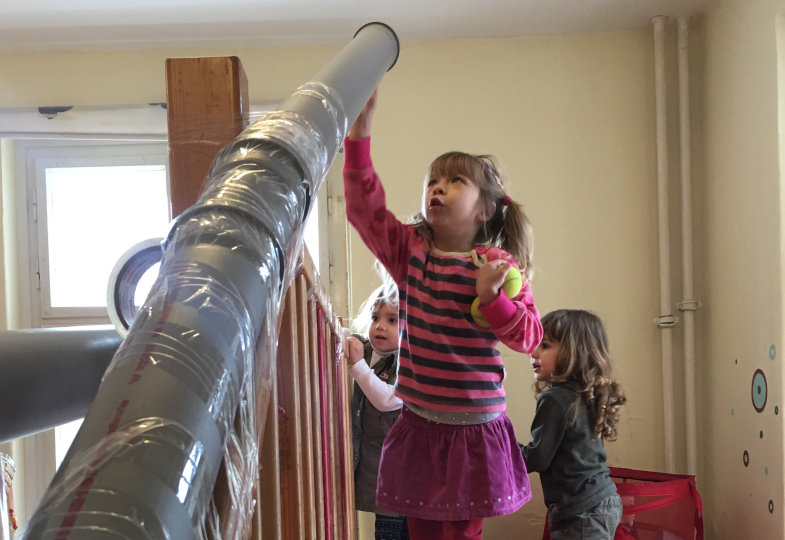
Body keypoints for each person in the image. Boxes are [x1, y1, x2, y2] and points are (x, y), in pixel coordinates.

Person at [343, 89, 542, 540]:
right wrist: (360, 134)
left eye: (454, 181)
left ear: (485, 209)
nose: (437, 187)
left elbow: (529, 337)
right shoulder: (411, 255)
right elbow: (363, 208)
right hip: (421, 427)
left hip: (473, 432)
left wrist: (494, 298)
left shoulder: (496, 266)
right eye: (433, 180)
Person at [520, 309, 627, 540]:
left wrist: (502, 445)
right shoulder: (587, 393)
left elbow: (538, 458)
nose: (533, 351)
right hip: (602, 500)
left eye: (545, 345)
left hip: (582, 510)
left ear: (574, 352)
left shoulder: (555, 398)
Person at [343, 269, 409, 540]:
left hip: (399, 469)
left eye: (392, 320)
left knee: (394, 526)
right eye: (375, 318)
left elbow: (388, 400)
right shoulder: (365, 351)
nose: (380, 326)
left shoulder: (409, 364)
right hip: (368, 458)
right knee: (387, 524)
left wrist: (358, 366)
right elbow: (342, 338)